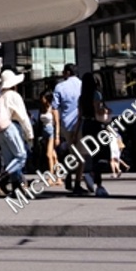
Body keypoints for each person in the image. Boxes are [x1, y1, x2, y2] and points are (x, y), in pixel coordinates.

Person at [0, 69, 33, 196]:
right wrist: (30, 134)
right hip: (10, 127)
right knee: (21, 156)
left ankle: (16, 189)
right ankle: (3, 177)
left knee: (10, 160)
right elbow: (23, 116)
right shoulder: (13, 96)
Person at [52, 64, 83, 193]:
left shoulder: (60, 87)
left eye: (64, 72)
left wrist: (58, 131)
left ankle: (69, 174)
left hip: (66, 124)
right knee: (80, 155)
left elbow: (54, 108)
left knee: (72, 152)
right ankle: (77, 183)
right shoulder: (83, 85)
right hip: (79, 123)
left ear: (68, 72)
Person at [36, 91, 60, 181]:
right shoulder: (42, 108)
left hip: (51, 133)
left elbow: (57, 123)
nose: (42, 99)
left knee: (49, 155)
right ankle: (59, 177)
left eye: (43, 97)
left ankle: (51, 176)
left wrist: (57, 136)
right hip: (44, 132)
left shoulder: (53, 109)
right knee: (54, 156)